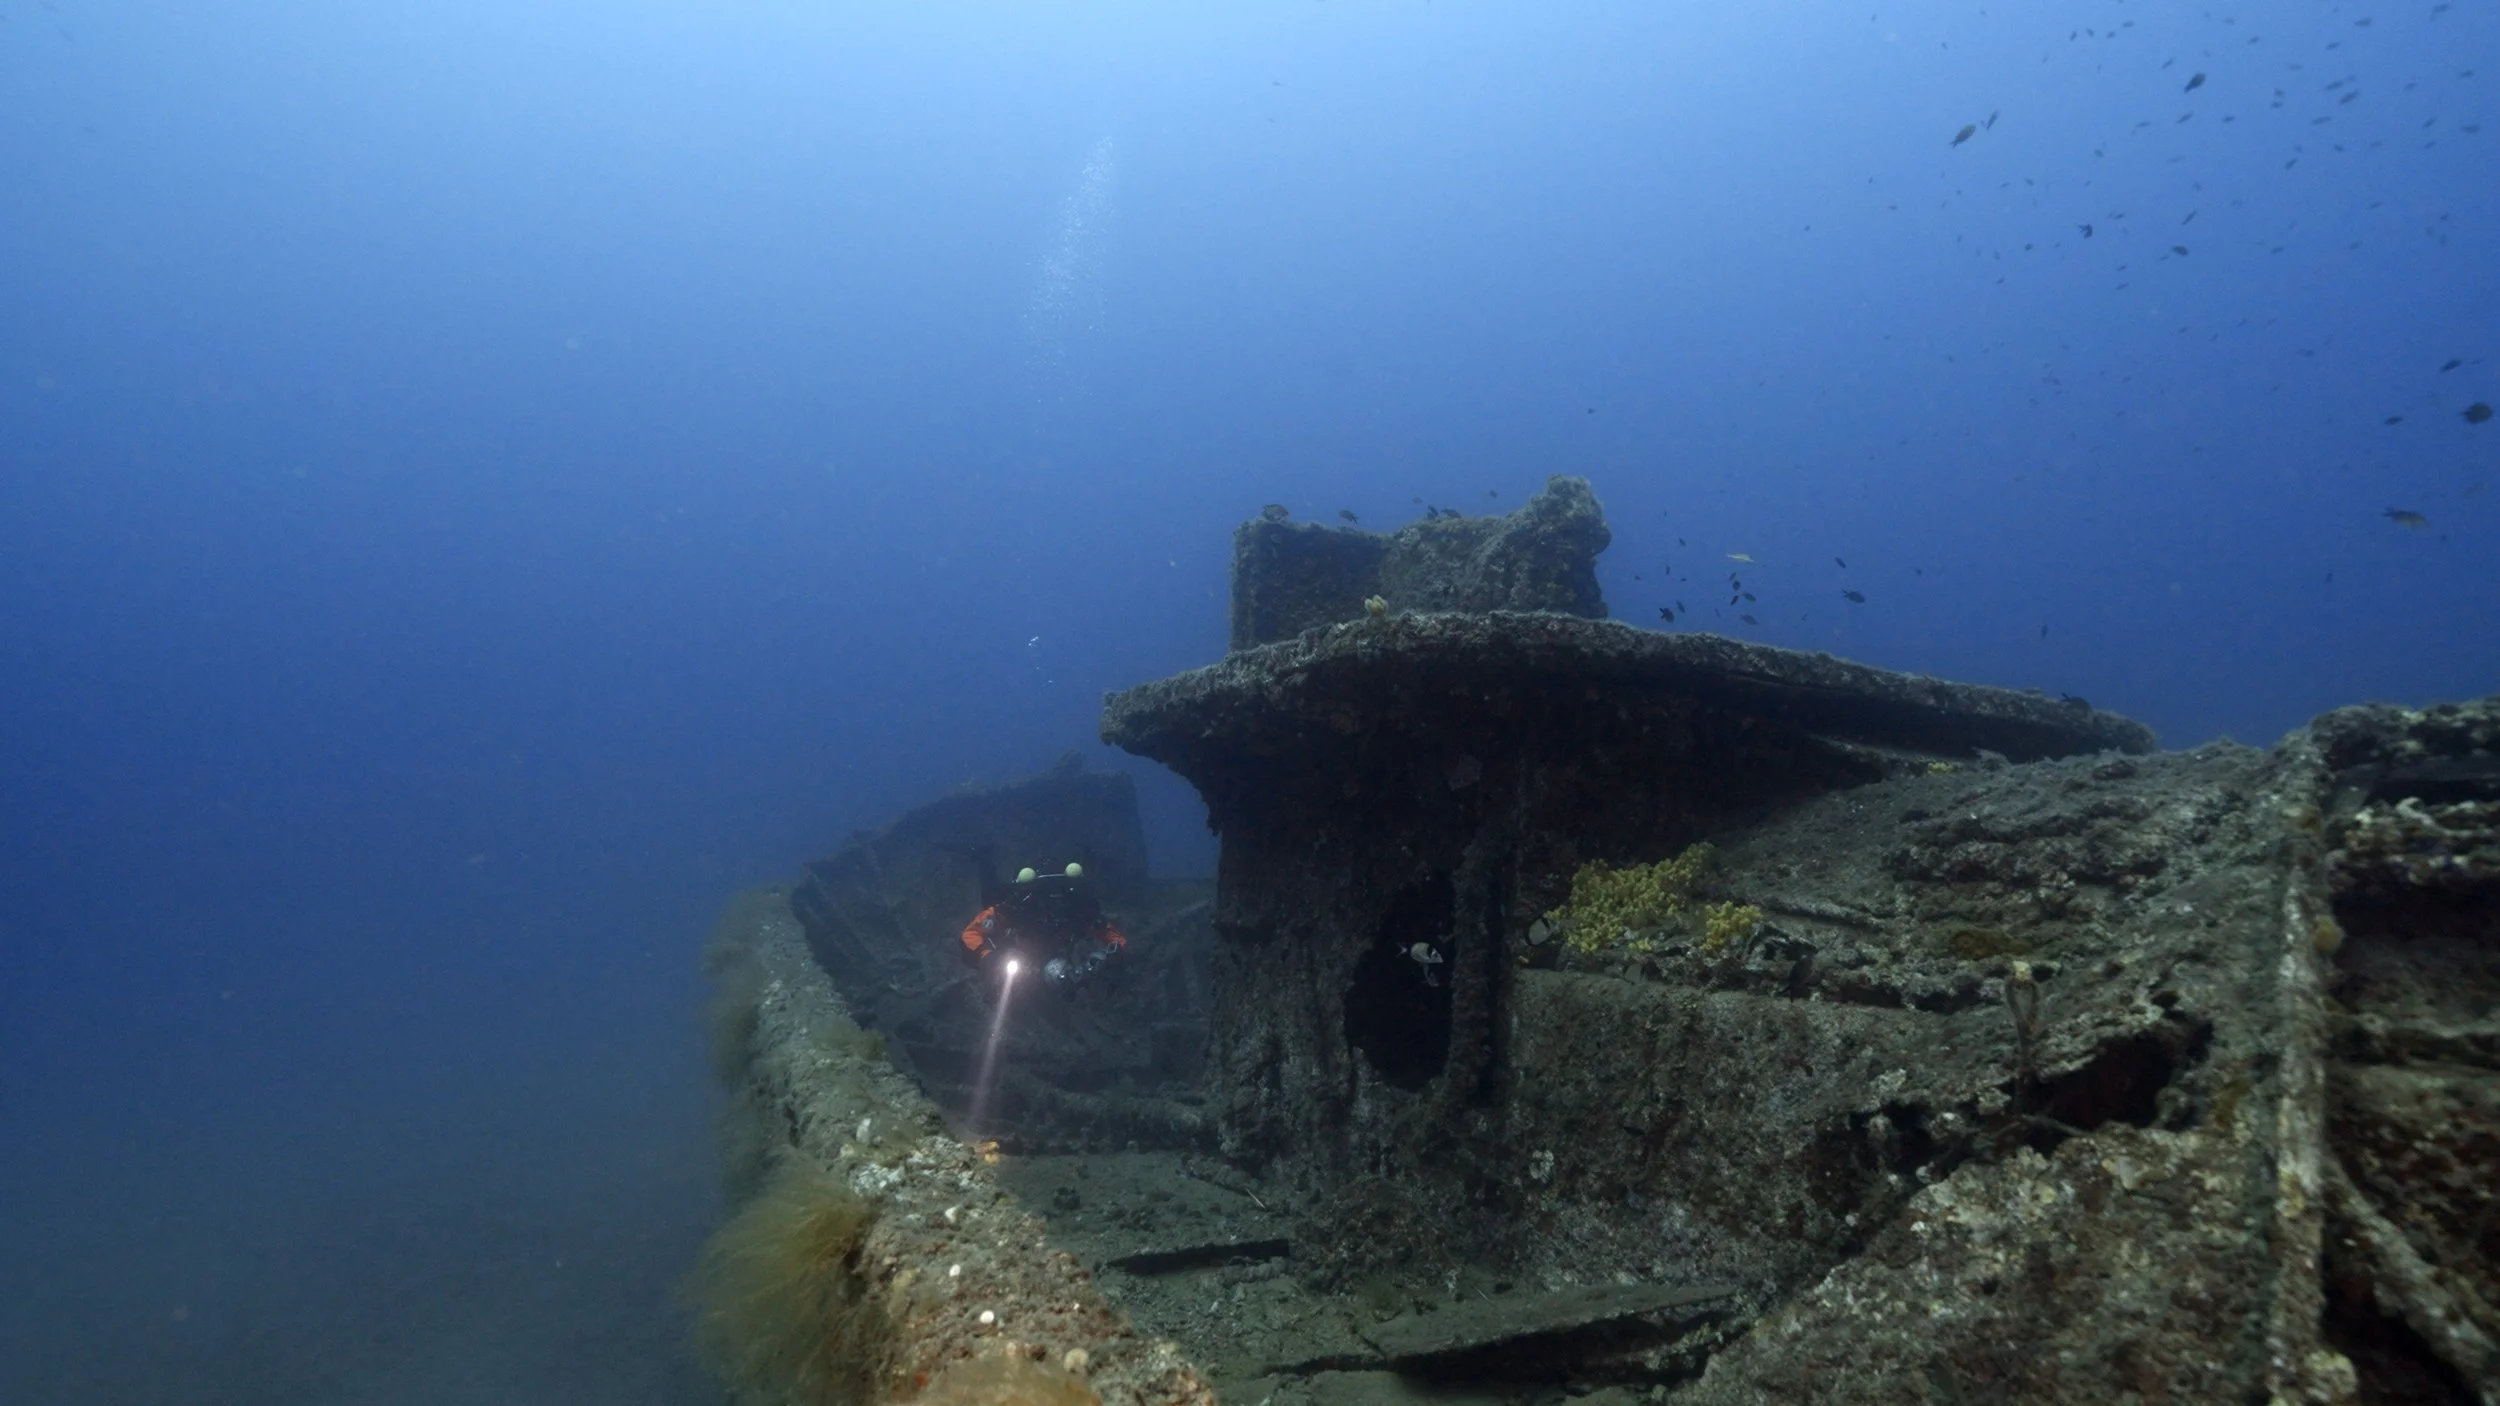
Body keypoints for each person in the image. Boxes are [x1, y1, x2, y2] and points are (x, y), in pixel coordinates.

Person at [960, 861, 1127, 992]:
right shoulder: (1018, 908)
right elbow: (971, 933)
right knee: (990, 896)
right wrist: (988, 957)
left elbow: (1112, 936)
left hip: (1052, 953)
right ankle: (984, 860)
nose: (1054, 911)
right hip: (1022, 952)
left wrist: (1112, 953)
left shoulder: (1079, 910)